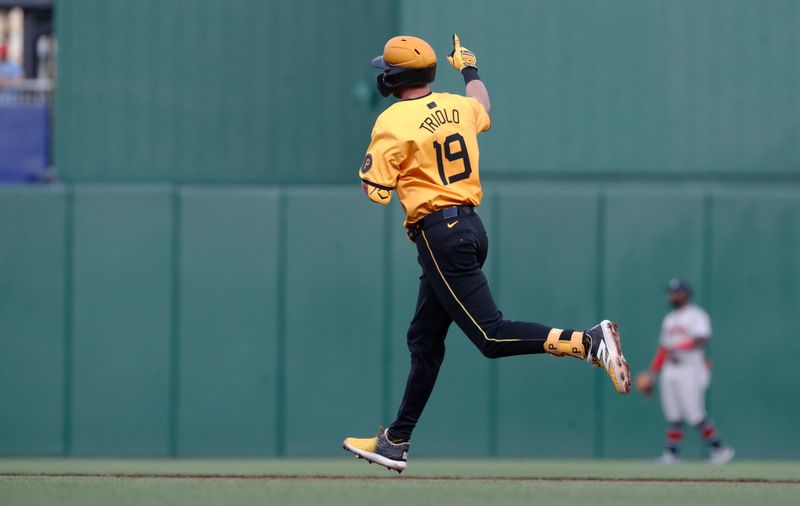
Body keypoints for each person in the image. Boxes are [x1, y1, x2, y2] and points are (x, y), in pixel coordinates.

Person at [342, 34, 631, 473]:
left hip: (440, 232)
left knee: (491, 336)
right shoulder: (460, 106)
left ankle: (588, 341)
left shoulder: (392, 121)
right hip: (470, 228)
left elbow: (376, 193)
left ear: (394, 76)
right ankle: (396, 440)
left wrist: (389, 169)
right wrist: (470, 68)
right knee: (424, 340)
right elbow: (483, 103)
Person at [635, 279, 734, 464]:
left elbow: (702, 338)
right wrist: (652, 373)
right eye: (671, 292)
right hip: (670, 368)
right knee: (673, 413)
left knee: (694, 413)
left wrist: (678, 346)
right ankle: (672, 454)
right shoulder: (669, 319)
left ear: (685, 294)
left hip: (691, 368)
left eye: (675, 292)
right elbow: (663, 349)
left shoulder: (696, 315)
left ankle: (720, 449)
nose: (671, 296)